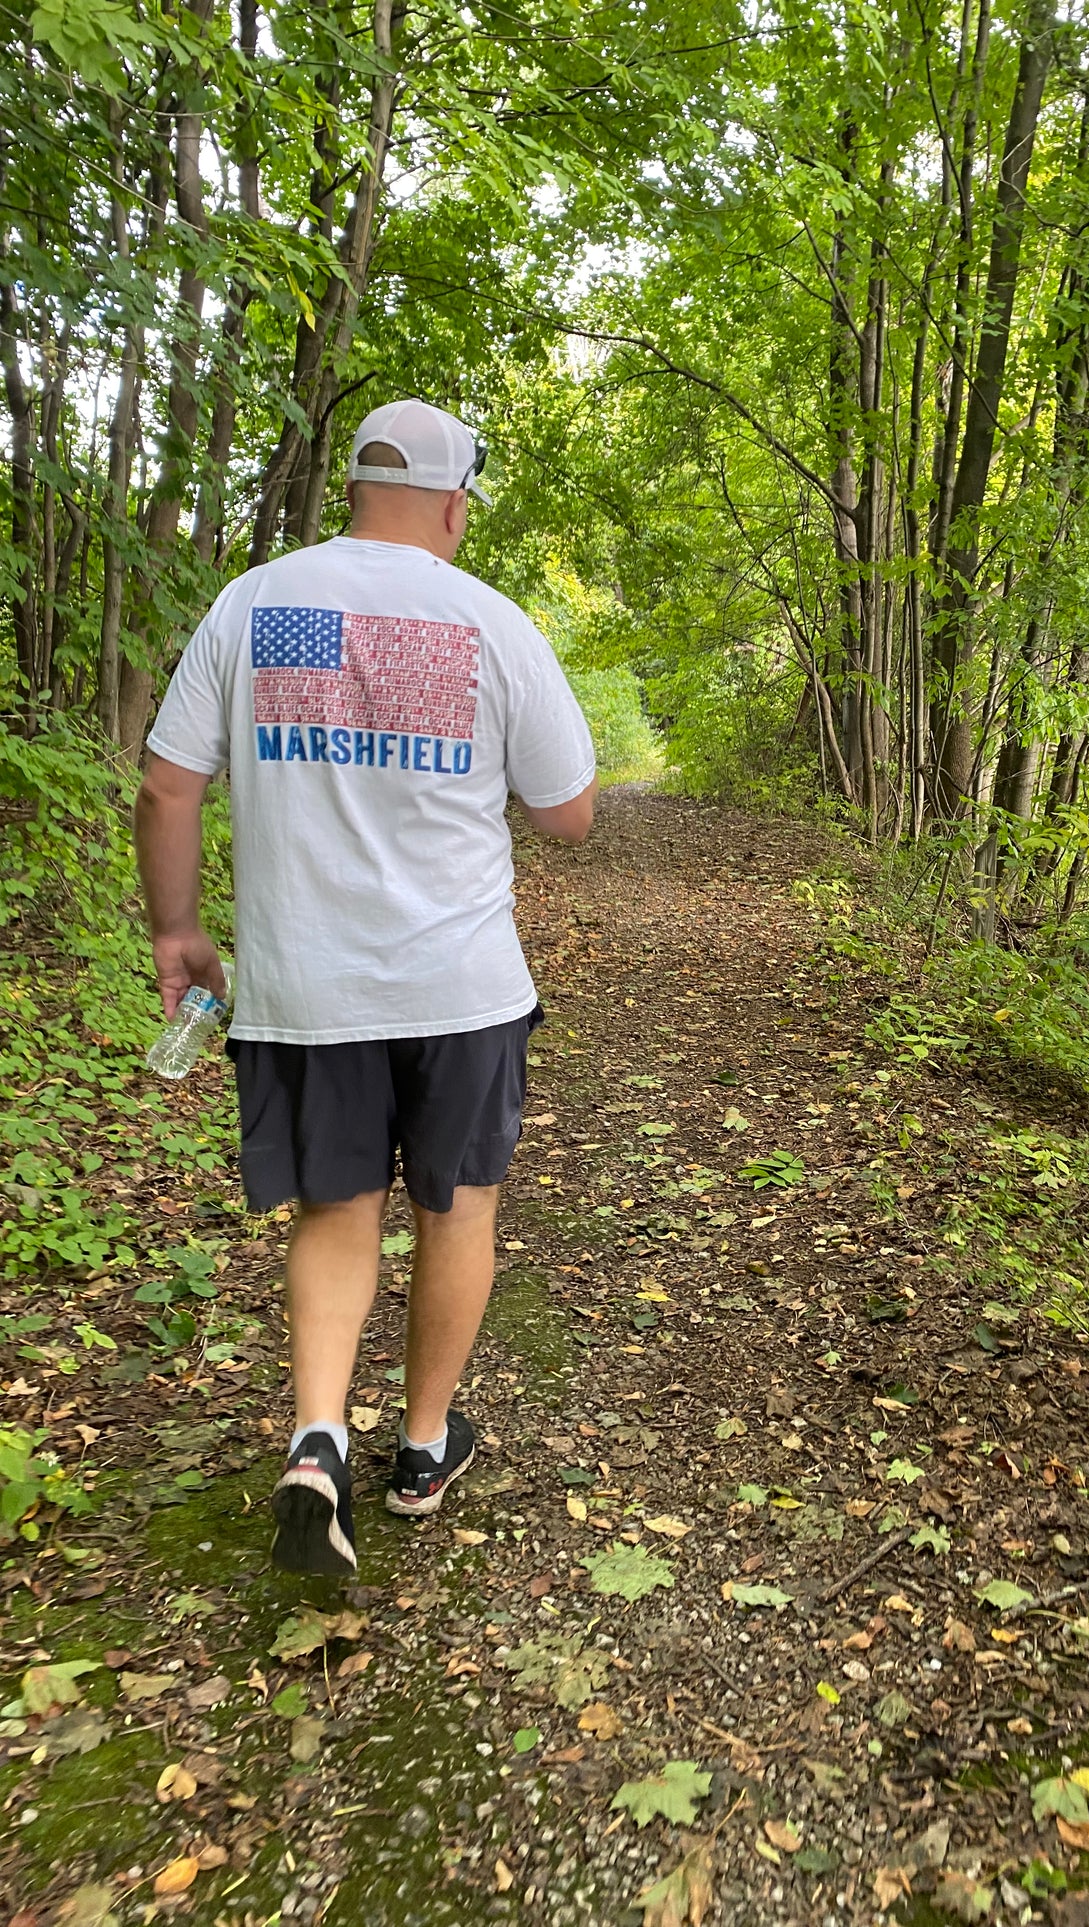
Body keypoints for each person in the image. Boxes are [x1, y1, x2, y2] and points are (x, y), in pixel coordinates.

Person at [134, 398, 597, 1576]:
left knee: (334, 1211)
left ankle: (315, 1440)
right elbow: (569, 814)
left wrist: (178, 929)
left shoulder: (253, 604)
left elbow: (167, 788)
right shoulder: (492, 622)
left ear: (351, 488)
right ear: (453, 504)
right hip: (461, 984)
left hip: (305, 983)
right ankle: (425, 1448)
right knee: (459, 1207)